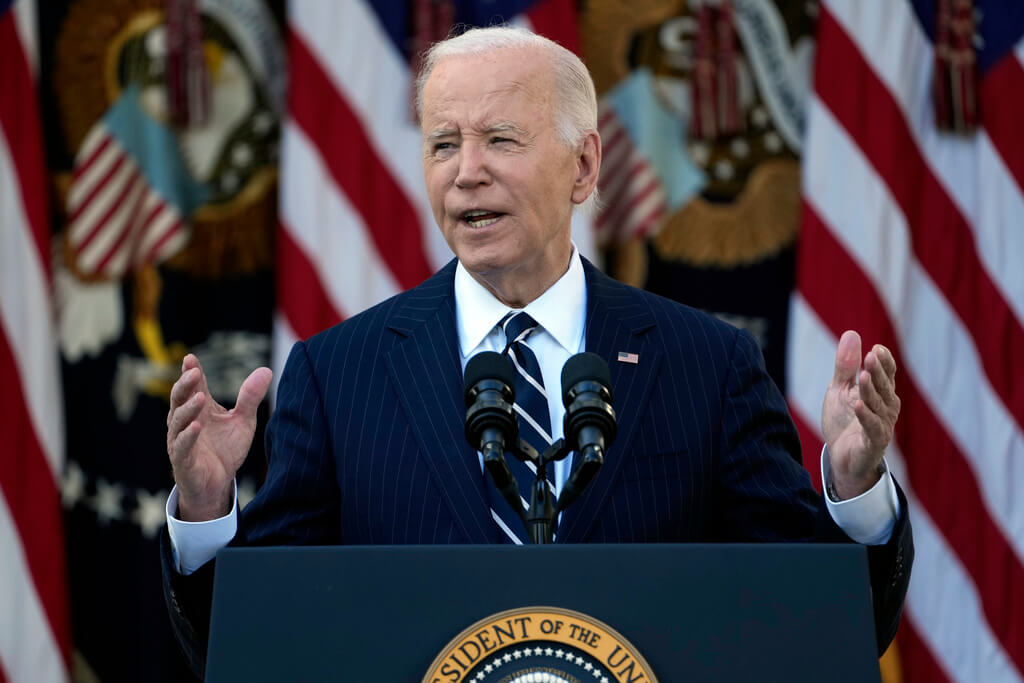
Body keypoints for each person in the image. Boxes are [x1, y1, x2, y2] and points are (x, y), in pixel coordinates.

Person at [161, 26, 912, 678]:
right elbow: (256, 642)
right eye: (444, 143)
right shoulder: (339, 372)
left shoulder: (706, 364)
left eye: (500, 140)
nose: (466, 172)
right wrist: (204, 508)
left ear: (583, 167)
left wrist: (855, 493)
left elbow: (817, 622)